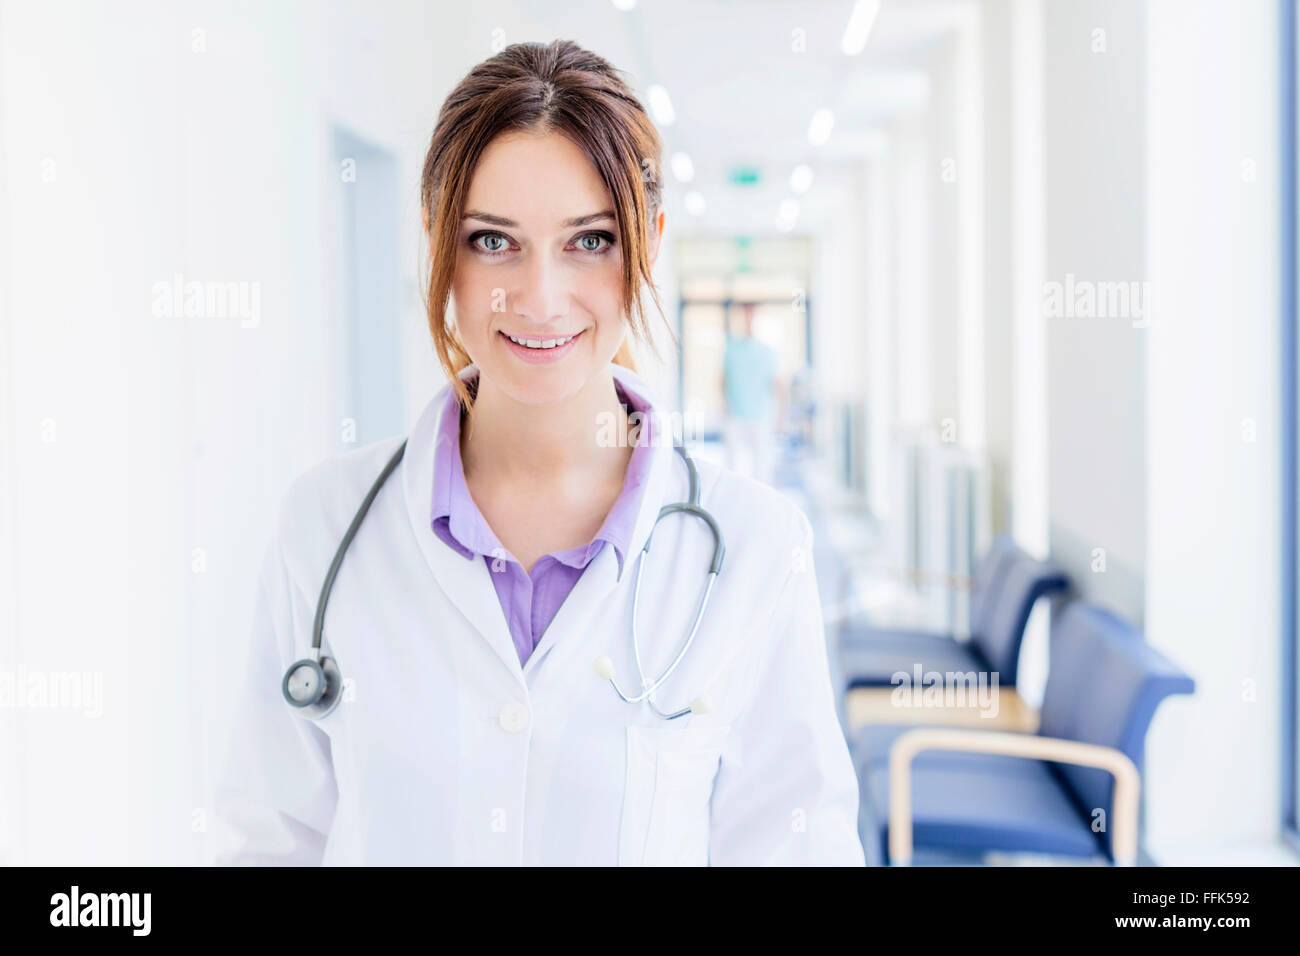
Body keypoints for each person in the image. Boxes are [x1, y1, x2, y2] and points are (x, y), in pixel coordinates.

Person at [211, 39, 863, 867]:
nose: (540, 297)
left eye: (589, 241)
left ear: (649, 243)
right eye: (492, 240)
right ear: (438, 241)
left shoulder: (756, 547)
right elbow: (270, 841)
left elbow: (795, 845)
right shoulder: (325, 526)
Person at [722, 304, 783, 484]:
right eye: (743, 317)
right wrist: (724, 407)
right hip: (735, 415)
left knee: (762, 469)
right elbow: (723, 381)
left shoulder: (767, 351)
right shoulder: (731, 350)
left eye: (750, 317)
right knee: (732, 467)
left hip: (760, 416)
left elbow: (777, 385)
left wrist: (781, 417)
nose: (747, 321)